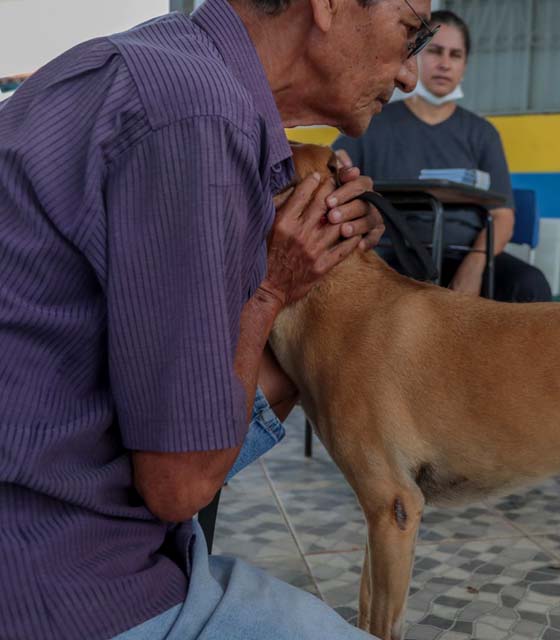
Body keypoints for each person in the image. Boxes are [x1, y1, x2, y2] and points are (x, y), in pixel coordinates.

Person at [0, 0, 434, 638]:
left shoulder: (169, 69)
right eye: (411, 30)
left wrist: (316, 251)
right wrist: (273, 288)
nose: (409, 74)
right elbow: (179, 486)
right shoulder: (197, 118)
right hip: (58, 574)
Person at [333, 10, 552, 302]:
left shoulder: (482, 134)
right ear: (414, 55)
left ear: (464, 65)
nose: (444, 64)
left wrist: (474, 266)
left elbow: (502, 215)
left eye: (455, 55)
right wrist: (335, 164)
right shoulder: (374, 123)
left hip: (464, 253)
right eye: (435, 51)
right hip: (393, 255)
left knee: (530, 285)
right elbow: (337, 165)